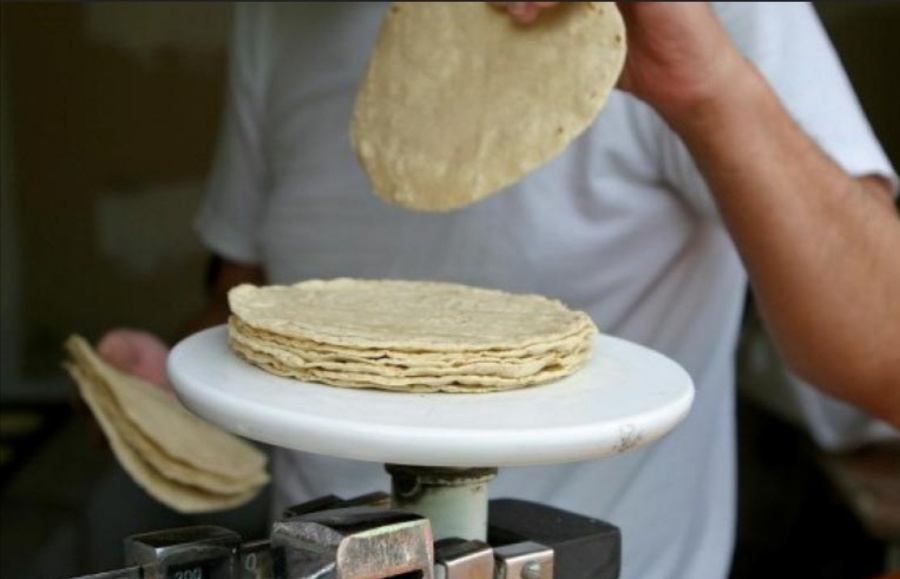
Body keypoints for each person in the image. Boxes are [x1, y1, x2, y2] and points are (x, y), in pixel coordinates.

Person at [98, 3, 900, 578]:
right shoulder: (283, 20)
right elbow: (260, 304)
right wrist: (167, 386)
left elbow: (887, 357)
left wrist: (706, 84)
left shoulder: (718, 14)